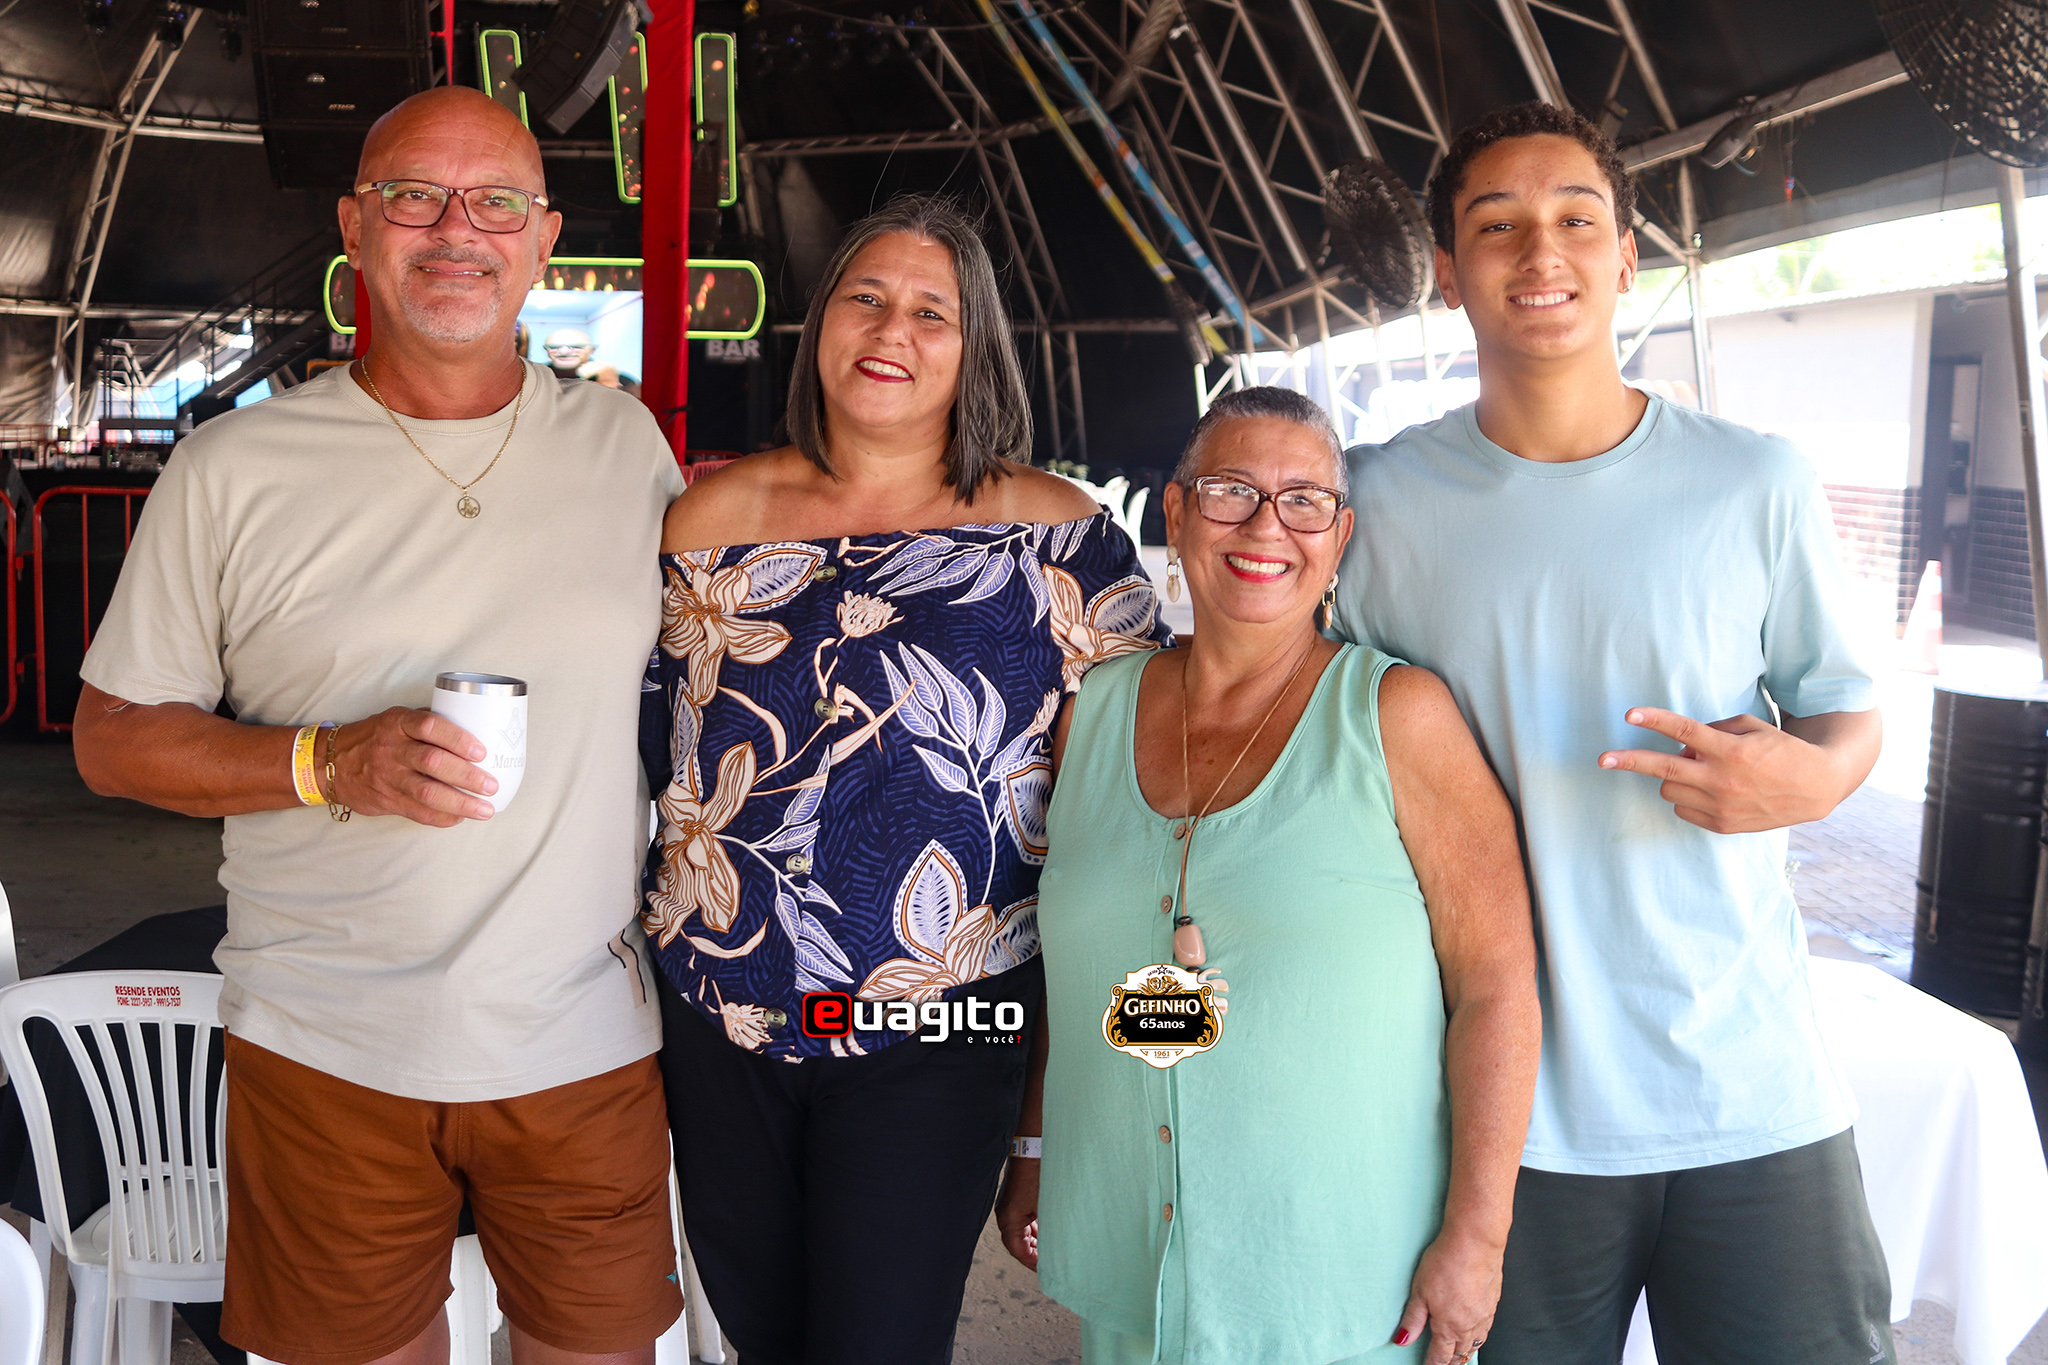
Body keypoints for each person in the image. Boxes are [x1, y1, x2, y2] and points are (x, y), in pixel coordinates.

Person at [71, 86, 686, 1365]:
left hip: (581, 1043)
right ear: (355, 225)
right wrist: (324, 760)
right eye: (415, 196)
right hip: (325, 1049)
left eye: (496, 203)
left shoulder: (623, 446)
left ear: (542, 238)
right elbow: (113, 737)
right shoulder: (231, 469)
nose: (456, 229)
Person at [1331, 102, 1893, 1364]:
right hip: (1498, 1120)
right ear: (1444, 271)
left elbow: (1845, 710)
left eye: (1576, 220)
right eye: (1497, 226)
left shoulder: (1752, 480)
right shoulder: (1375, 504)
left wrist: (1806, 781)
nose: (1541, 252)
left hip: (1747, 1085)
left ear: (1628, 256)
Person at [641, 193, 1173, 1365]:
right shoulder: (705, 527)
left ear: (975, 347)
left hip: (938, 1017)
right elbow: (649, 748)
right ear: (819, 324)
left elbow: (1134, 798)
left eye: (932, 312)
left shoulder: (1057, 538)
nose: (892, 330)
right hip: (718, 1005)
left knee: (878, 1339)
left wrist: (1063, 1101)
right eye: (866, 298)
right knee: (762, 1334)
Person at [999, 386, 1540, 1365]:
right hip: (1135, 1270)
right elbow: (1060, 976)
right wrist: (1033, 1147)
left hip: (1342, 1283)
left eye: (1304, 501)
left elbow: (1496, 987)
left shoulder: (1396, 717)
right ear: (1174, 514)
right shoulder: (1091, 714)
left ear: (1339, 537)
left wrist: (1479, 1236)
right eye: (1230, 491)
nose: (1264, 525)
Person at [543, 326, 625, 388]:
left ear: (592, 349)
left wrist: (608, 383)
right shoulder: (539, 375)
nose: (564, 352)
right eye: (554, 347)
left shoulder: (613, 377)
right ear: (546, 349)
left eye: (576, 347)